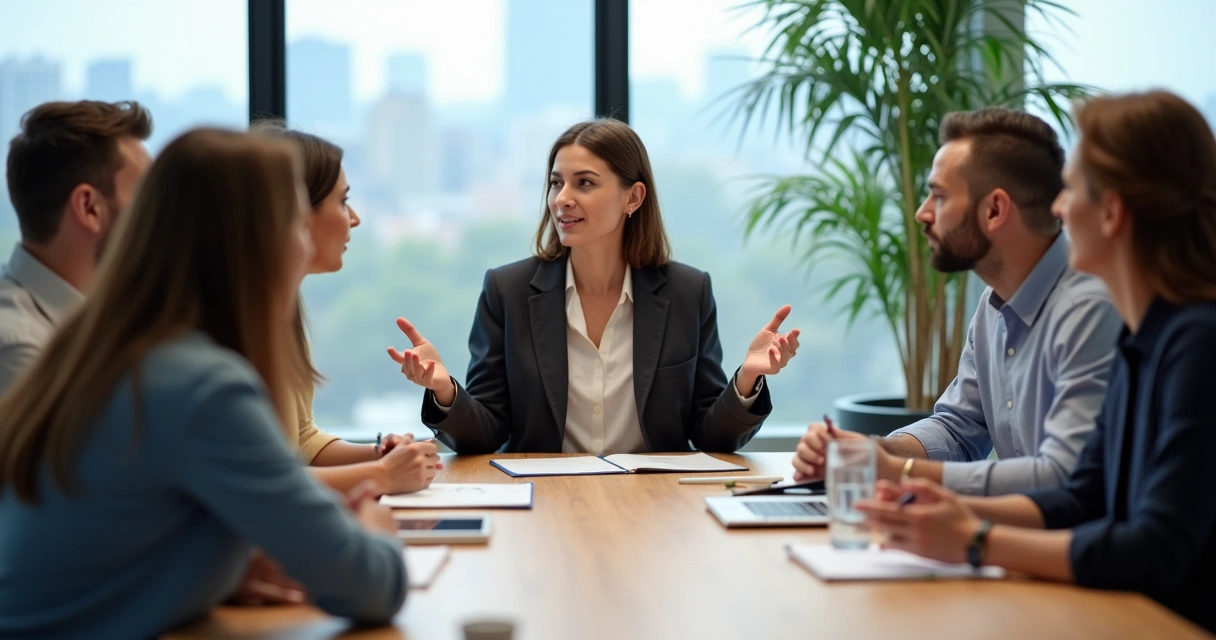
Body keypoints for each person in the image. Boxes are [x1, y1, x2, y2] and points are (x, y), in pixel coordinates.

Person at [0, 128, 407, 639]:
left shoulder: (104, 348)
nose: (305, 244)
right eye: (294, 224)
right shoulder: (201, 387)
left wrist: (228, 568)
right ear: (258, 243)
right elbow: (372, 586)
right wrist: (374, 528)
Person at [857, 90, 1216, 633]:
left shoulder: (1197, 343)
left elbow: (1154, 547)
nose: (1057, 208)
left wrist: (974, 539)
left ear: (1113, 212)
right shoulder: (1143, 336)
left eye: (1070, 190)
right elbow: (1081, 497)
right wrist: (937, 504)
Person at [387, 118, 800, 454]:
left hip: (657, 505)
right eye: (556, 183)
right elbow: (487, 432)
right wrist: (444, 390)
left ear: (632, 198)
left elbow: (711, 436)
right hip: (546, 504)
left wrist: (747, 378)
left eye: (584, 183)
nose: (561, 199)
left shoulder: (687, 292)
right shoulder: (507, 291)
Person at [791, 108, 1122, 495]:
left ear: (994, 210)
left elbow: (1064, 477)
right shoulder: (993, 305)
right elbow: (957, 430)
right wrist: (870, 451)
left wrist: (896, 471)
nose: (922, 213)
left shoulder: (1090, 309)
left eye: (939, 196)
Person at [253, 121, 440, 494]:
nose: (353, 218)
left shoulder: (280, 308)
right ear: (296, 212)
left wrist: (379, 455)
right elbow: (259, 481)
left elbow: (300, 439)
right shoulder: (238, 324)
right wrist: (383, 475)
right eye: (341, 201)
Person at [0, 100, 153, 393]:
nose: (157, 216)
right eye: (145, 196)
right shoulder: (20, 351)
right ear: (89, 207)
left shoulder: (107, 318)